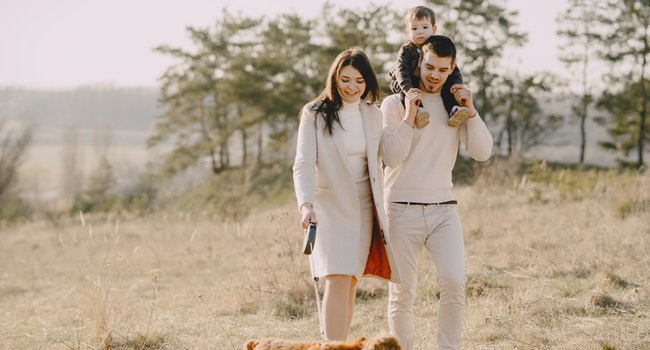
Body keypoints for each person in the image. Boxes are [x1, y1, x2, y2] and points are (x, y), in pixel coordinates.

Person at [380, 35, 493, 350]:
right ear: (419, 63)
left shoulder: (454, 107)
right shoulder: (392, 104)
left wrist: (472, 112)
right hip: (400, 209)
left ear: (452, 68)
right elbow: (391, 157)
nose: (434, 75)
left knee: (455, 283)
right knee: (402, 293)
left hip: (444, 209)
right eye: (429, 67)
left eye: (442, 70)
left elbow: (482, 152)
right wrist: (409, 117)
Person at [292, 48, 400, 342]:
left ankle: (338, 344)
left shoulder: (373, 115)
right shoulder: (314, 113)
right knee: (337, 279)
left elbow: (389, 155)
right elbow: (302, 163)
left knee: (350, 282)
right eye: (345, 79)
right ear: (334, 79)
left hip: (366, 208)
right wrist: (305, 205)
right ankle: (332, 347)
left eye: (359, 81)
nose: (352, 87)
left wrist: (410, 120)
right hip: (329, 209)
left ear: (368, 82)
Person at [388, 5, 471, 129]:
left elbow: (454, 71)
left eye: (425, 27)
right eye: (414, 28)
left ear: (434, 29)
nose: (420, 31)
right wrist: (408, 89)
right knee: (410, 90)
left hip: (422, 81)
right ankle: (418, 111)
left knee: (446, 87)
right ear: (408, 31)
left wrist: (456, 85)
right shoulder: (407, 49)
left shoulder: (437, 47)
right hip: (404, 81)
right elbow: (401, 71)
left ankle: (453, 110)